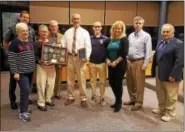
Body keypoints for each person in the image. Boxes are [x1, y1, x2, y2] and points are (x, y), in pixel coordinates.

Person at [3, 11, 36, 110]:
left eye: (27, 17)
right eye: (24, 17)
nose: (26, 19)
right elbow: (5, 42)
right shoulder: (13, 28)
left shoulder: (31, 30)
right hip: (16, 62)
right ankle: (12, 100)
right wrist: (9, 54)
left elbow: (32, 43)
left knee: (26, 85)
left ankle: (26, 98)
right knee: (13, 82)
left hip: (26, 62)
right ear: (20, 17)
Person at [151, 24, 184, 122]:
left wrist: (173, 75)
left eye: (167, 31)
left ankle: (170, 113)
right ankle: (162, 109)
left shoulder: (179, 43)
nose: (165, 33)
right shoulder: (161, 42)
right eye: (163, 31)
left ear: (173, 32)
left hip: (171, 74)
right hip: (160, 72)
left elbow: (180, 61)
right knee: (160, 92)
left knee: (171, 95)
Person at [62, 13, 91, 108]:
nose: (76, 20)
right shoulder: (67, 32)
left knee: (81, 79)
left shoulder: (85, 32)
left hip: (80, 58)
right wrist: (62, 55)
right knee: (70, 79)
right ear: (71, 20)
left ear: (80, 20)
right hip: (70, 57)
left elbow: (88, 46)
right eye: (74, 19)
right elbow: (63, 44)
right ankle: (71, 97)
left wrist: (86, 57)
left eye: (78, 19)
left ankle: (83, 98)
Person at [8, 22, 35, 122]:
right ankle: (23, 112)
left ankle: (25, 108)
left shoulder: (30, 41)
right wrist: (15, 72)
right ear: (18, 32)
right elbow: (11, 59)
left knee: (27, 91)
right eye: (23, 31)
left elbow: (31, 55)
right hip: (21, 72)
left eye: (27, 30)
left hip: (30, 71)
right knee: (25, 90)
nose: (26, 32)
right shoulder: (14, 43)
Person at [124, 16, 152, 111]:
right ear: (133, 24)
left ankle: (139, 102)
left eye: (140, 23)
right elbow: (128, 48)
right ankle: (132, 99)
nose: (138, 25)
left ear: (143, 24)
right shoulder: (130, 35)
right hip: (129, 61)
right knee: (129, 82)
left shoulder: (146, 36)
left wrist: (145, 64)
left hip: (139, 62)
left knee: (139, 84)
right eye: (136, 23)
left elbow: (148, 51)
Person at [105, 21, 128, 112]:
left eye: (119, 28)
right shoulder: (110, 39)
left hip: (120, 65)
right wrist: (107, 59)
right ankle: (117, 99)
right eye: (115, 28)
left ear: (122, 29)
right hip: (110, 65)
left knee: (118, 84)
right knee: (111, 82)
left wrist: (116, 61)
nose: (117, 30)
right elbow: (106, 51)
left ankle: (118, 102)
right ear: (113, 29)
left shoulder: (124, 39)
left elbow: (124, 53)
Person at [35, 25, 57, 111]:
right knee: (41, 85)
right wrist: (39, 61)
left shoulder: (52, 41)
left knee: (51, 84)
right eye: (43, 31)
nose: (45, 33)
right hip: (42, 66)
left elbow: (56, 53)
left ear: (48, 32)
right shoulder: (36, 43)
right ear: (39, 32)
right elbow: (35, 55)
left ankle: (48, 99)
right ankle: (41, 102)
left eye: (46, 31)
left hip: (51, 66)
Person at [88, 21, 108, 106]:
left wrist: (107, 59)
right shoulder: (89, 38)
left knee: (102, 82)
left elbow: (108, 51)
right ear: (93, 28)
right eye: (95, 27)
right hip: (92, 63)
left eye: (98, 27)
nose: (97, 28)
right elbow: (86, 49)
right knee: (93, 81)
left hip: (102, 64)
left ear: (101, 28)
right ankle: (93, 96)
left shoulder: (106, 39)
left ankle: (102, 97)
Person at [48, 20, 63, 99]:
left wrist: (62, 62)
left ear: (58, 27)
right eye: (52, 26)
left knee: (58, 76)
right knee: (49, 77)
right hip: (48, 60)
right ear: (49, 27)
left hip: (58, 60)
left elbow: (64, 49)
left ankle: (57, 92)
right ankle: (49, 93)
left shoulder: (62, 36)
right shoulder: (46, 35)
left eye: (55, 26)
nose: (54, 28)